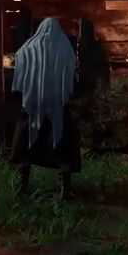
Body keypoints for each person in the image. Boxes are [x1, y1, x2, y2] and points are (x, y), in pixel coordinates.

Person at [9, 16, 81, 197]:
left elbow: (17, 66)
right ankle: (64, 189)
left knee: (26, 142)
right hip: (57, 105)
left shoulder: (27, 49)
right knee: (63, 143)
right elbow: (72, 75)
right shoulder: (64, 48)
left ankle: (22, 184)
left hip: (32, 104)